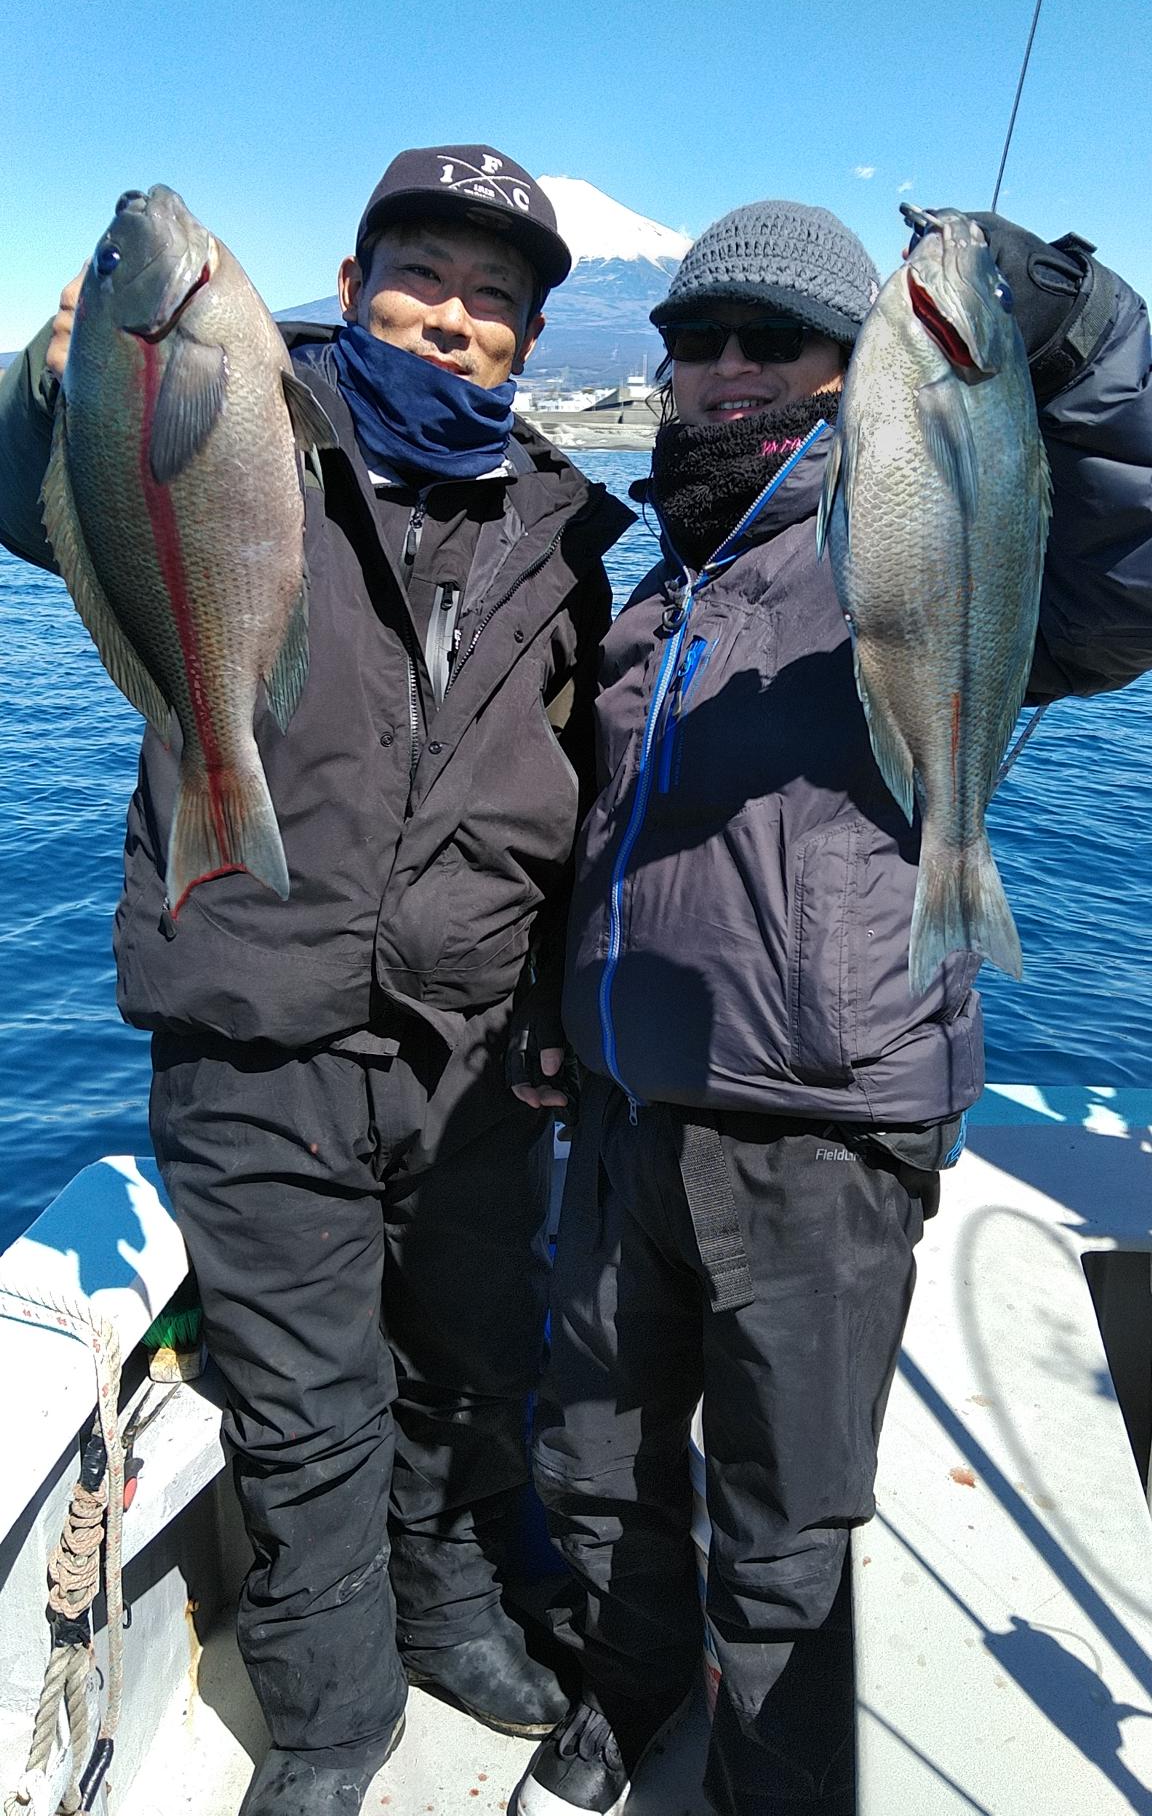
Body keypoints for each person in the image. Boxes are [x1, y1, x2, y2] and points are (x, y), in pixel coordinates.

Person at [0, 145, 632, 1815]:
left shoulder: (568, 531)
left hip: (473, 1053)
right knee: (304, 1401)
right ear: (348, 291)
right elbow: (32, 494)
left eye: (495, 300)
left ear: (526, 338)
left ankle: (449, 1612)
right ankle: (336, 1712)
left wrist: (556, 1012)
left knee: (465, 1364)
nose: (454, 318)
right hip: (250, 1028)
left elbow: (576, 791)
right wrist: (45, 386)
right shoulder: (235, 415)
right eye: (421, 277)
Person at [516, 199, 1152, 1815]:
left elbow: (1128, 566)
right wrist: (554, 1018)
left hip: (817, 1129)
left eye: (776, 339)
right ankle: (628, 1695)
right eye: (697, 338)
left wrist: (1078, 322)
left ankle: (768, 1782)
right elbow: (597, 843)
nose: (727, 366)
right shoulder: (652, 589)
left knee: (786, 1522)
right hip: (626, 1117)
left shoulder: (906, 524)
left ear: (852, 363)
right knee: (595, 1462)